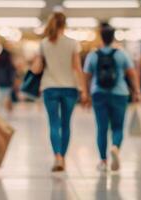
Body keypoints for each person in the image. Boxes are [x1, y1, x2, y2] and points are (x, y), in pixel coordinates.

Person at [31, 12, 89, 172]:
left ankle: (57, 156)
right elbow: (78, 68)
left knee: (54, 124)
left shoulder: (44, 44)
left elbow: (36, 68)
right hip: (70, 88)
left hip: (49, 87)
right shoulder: (72, 44)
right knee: (66, 124)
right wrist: (84, 90)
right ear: (64, 25)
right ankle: (62, 157)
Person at [83, 24, 141, 172]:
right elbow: (131, 73)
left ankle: (103, 161)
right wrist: (137, 91)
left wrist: (85, 93)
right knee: (117, 127)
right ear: (113, 37)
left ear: (101, 37)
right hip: (119, 93)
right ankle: (115, 147)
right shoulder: (121, 54)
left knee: (102, 128)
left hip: (98, 93)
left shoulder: (93, 55)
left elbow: (86, 76)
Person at [0, 48, 16, 114]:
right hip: (7, 85)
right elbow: (12, 75)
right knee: (7, 101)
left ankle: (0, 116)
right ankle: (8, 115)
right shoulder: (9, 64)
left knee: (0, 102)